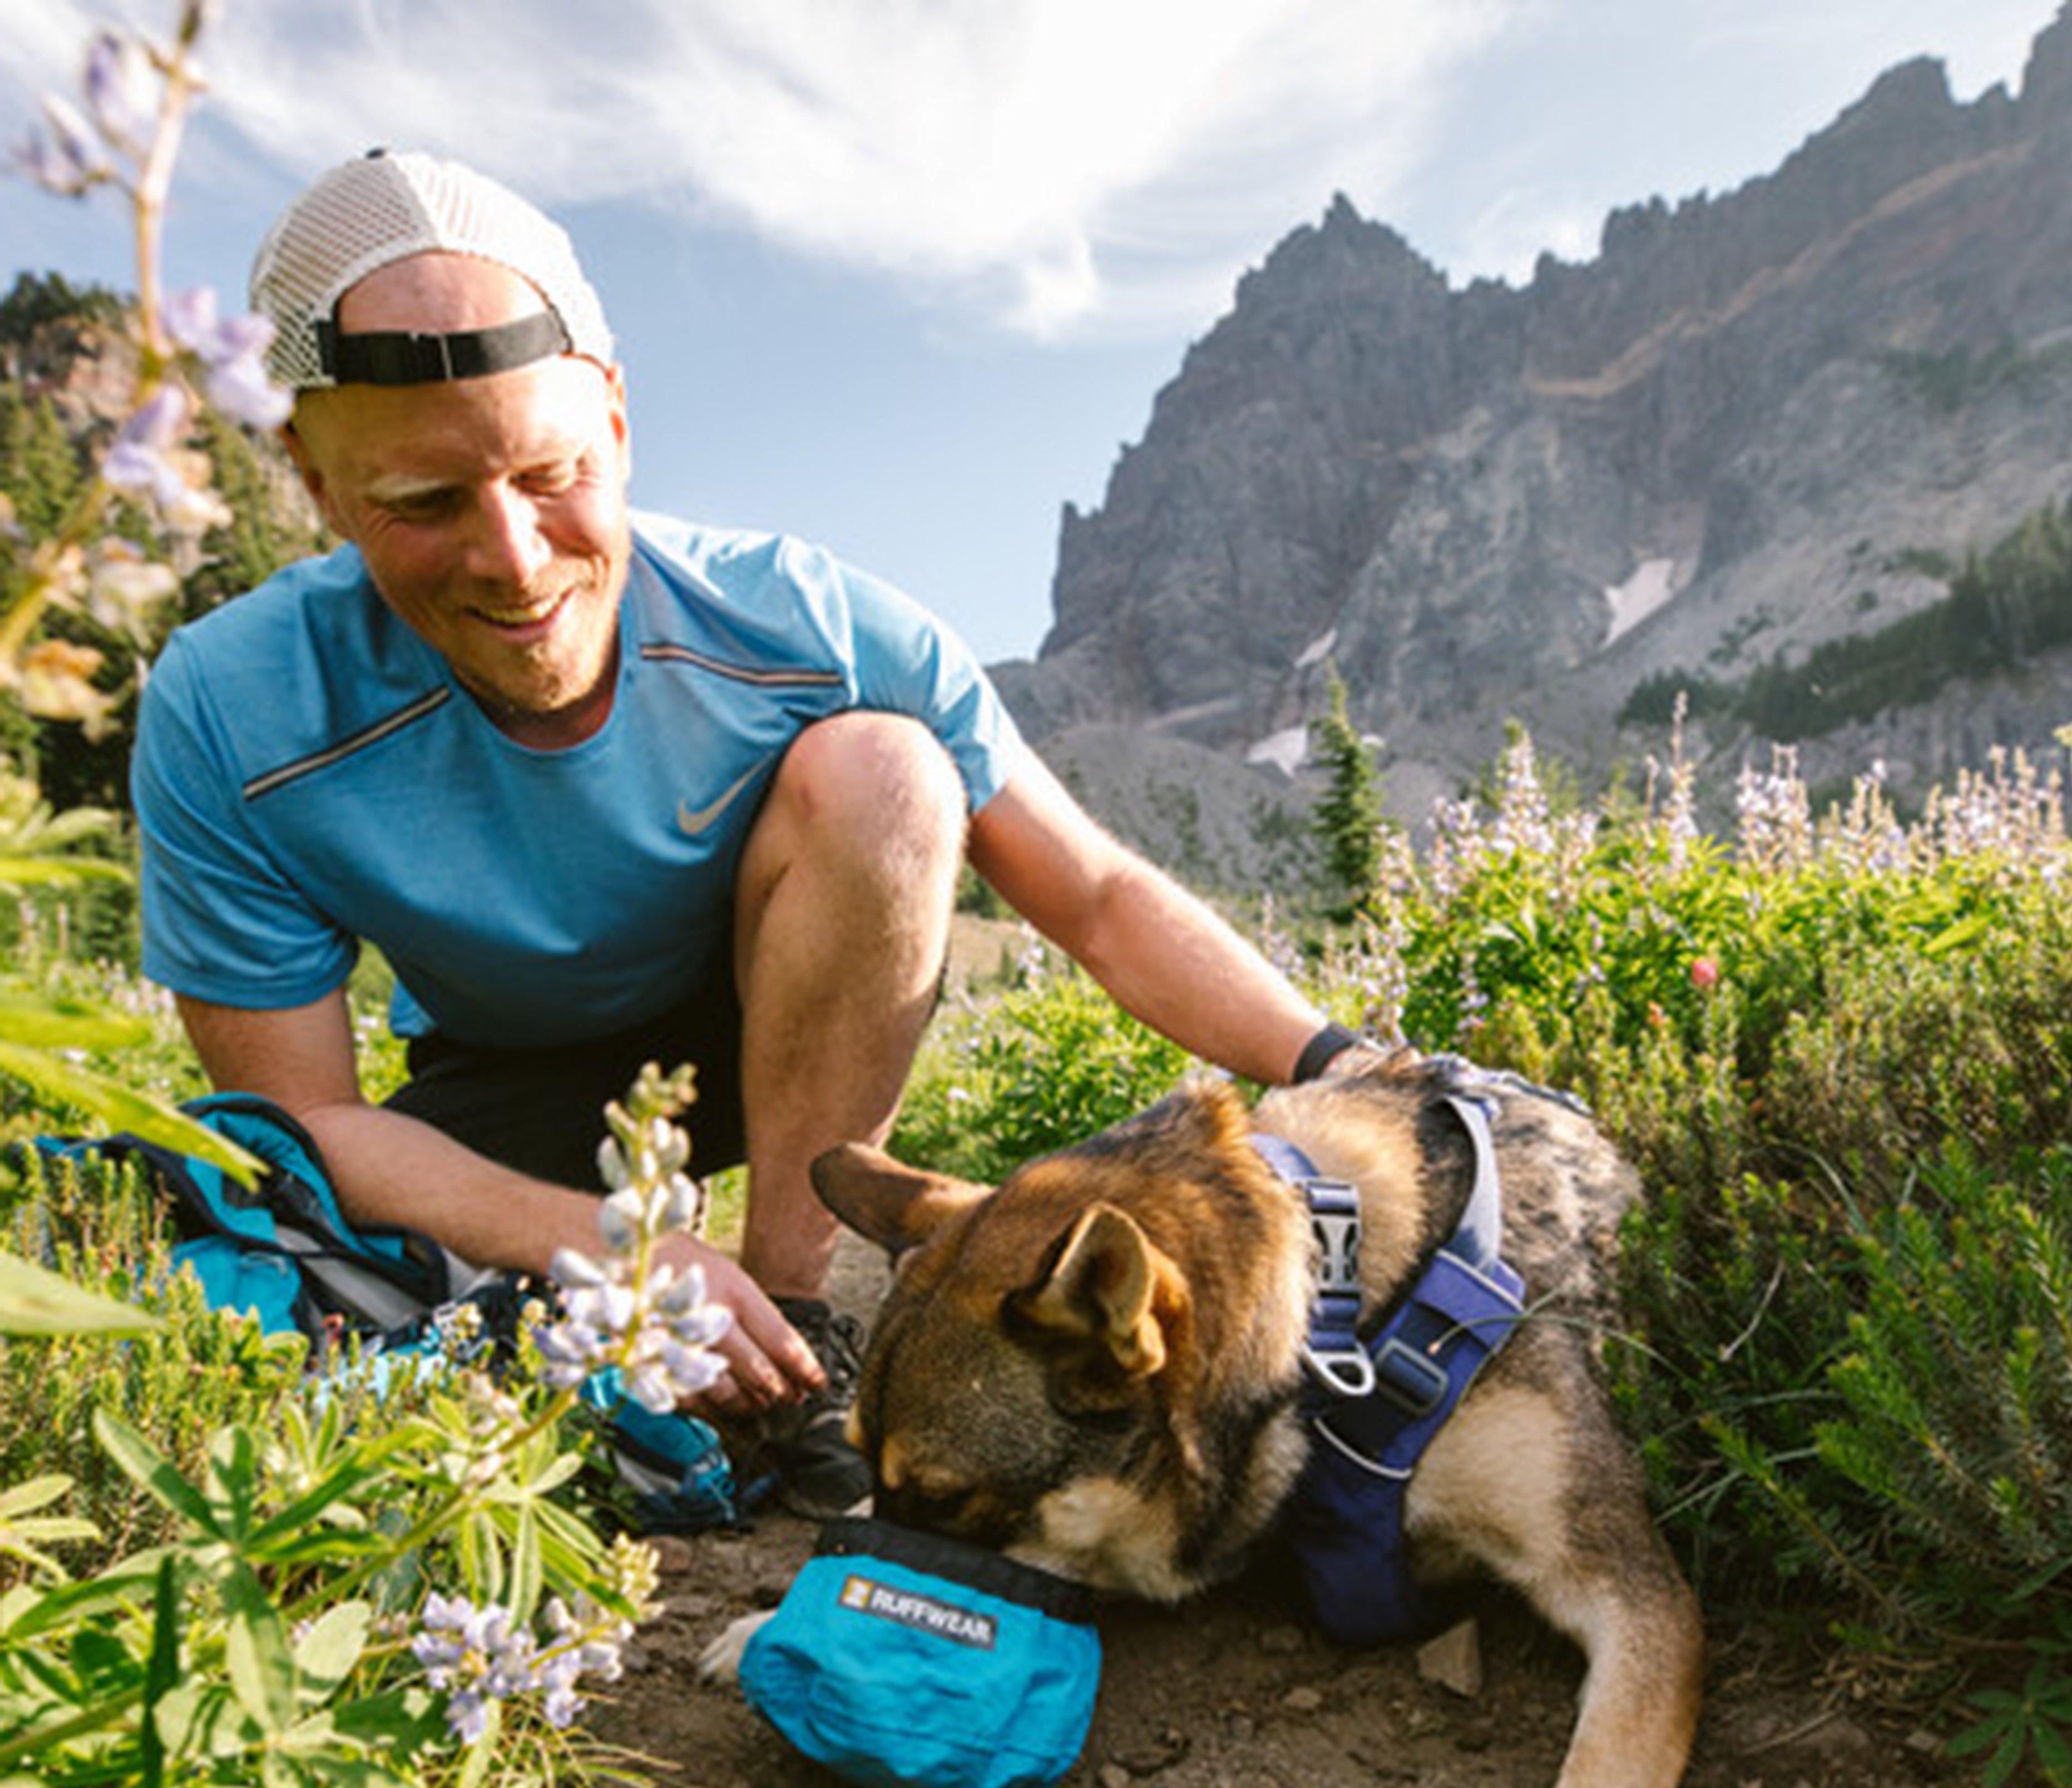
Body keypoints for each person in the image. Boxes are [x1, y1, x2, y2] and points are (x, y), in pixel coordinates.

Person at [132, 149, 1363, 1514]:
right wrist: (606, 1248)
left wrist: (1352, 1063)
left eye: (552, 472)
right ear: (307, 474)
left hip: (768, 1026)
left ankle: (794, 1333)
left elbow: (1093, 898)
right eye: (420, 504)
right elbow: (300, 1118)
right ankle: (668, 1327)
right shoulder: (231, 708)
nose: (514, 558)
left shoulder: (807, 624)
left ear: (613, 411)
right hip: (505, 1086)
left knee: (887, 772)